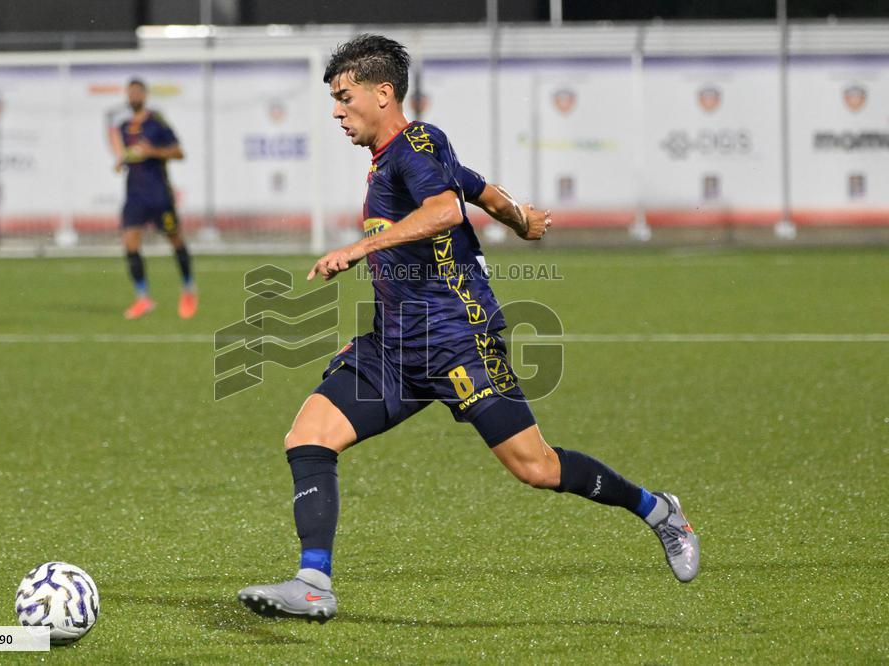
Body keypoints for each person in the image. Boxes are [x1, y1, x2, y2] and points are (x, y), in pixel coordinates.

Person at [237, 35, 699, 623]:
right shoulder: (400, 157)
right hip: (395, 346)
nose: (335, 111)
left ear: (384, 94)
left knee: (537, 468)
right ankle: (314, 581)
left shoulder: (417, 140)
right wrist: (517, 216)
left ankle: (659, 512)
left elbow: (446, 210)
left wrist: (358, 248)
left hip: (460, 338)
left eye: (343, 96)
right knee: (308, 437)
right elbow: (471, 186)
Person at [112, 78, 197, 320]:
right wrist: (121, 161)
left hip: (159, 194)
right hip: (135, 195)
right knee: (129, 242)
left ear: (145, 95)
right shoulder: (123, 127)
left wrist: (154, 152)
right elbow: (125, 155)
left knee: (176, 239)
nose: (133, 97)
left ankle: (189, 289)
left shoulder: (156, 123)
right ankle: (143, 298)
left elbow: (179, 152)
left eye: (137, 92)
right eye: (130, 93)